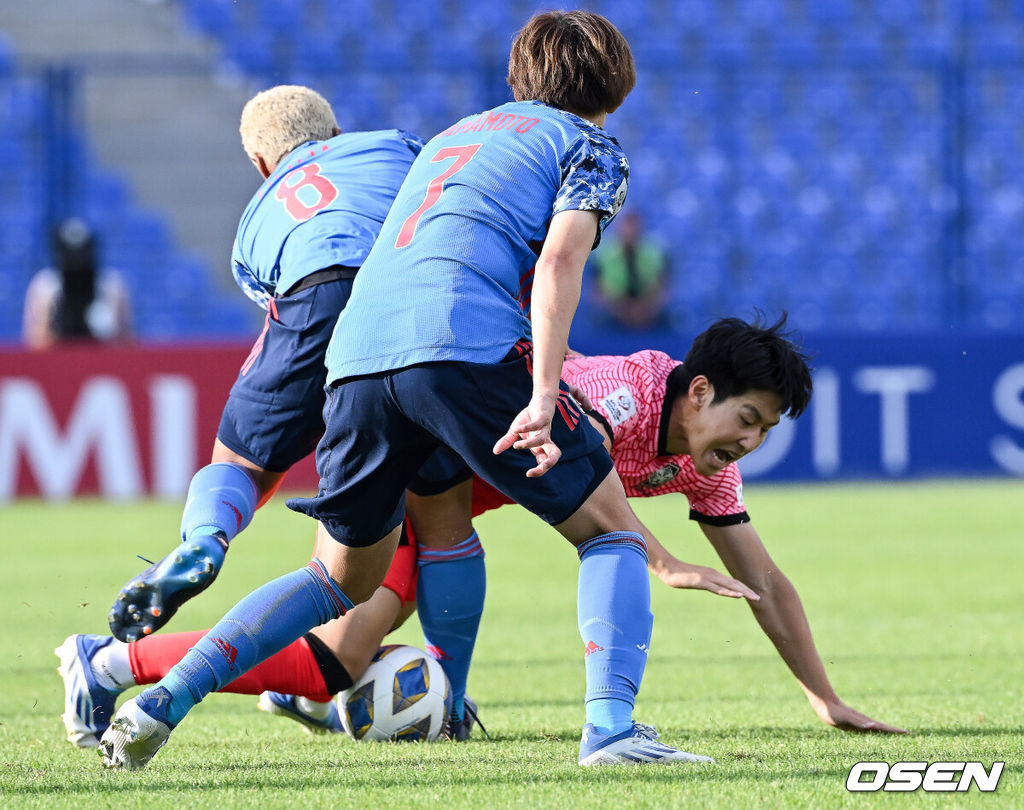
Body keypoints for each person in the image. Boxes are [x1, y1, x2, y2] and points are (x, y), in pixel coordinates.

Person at [96, 10, 725, 770]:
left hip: (354, 356)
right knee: (611, 532)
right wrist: (543, 386)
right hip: (461, 339)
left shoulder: (455, 136)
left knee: (338, 578)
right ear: (618, 82)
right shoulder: (587, 146)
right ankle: (613, 733)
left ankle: (163, 701)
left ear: (517, 78)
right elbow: (559, 262)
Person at [60, 317, 903, 748]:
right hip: (421, 478)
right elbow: (600, 503)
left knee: (332, 658)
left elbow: (769, 584)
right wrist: (664, 559)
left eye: (763, 434)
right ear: (699, 390)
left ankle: (318, 695)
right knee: (333, 653)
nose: (747, 443)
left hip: (447, 511)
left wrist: (821, 696)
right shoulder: (621, 393)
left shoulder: (702, 462)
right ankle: (106, 661)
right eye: (746, 419)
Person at [103, 85, 423, 646]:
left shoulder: (251, 225)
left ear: (259, 162)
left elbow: (286, 312)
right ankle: (449, 669)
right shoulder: (394, 147)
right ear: (337, 134)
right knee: (433, 521)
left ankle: (206, 538)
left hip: (308, 295)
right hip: (403, 305)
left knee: (237, 464)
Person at [22, 218, 132, 349]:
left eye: (80, 254)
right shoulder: (44, 286)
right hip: (55, 360)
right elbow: (33, 341)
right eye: (71, 254)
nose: (76, 263)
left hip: (103, 360)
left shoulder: (111, 285)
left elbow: (126, 340)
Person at [590, 211, 670, 330]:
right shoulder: (603, 254)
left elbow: (664, 286)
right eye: (626, 225)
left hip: (649, 313)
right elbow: (595, 290)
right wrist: (619, 310)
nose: (630, 231)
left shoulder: (655, 252)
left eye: (633, 225)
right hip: (613, 314)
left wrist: (647, 309)